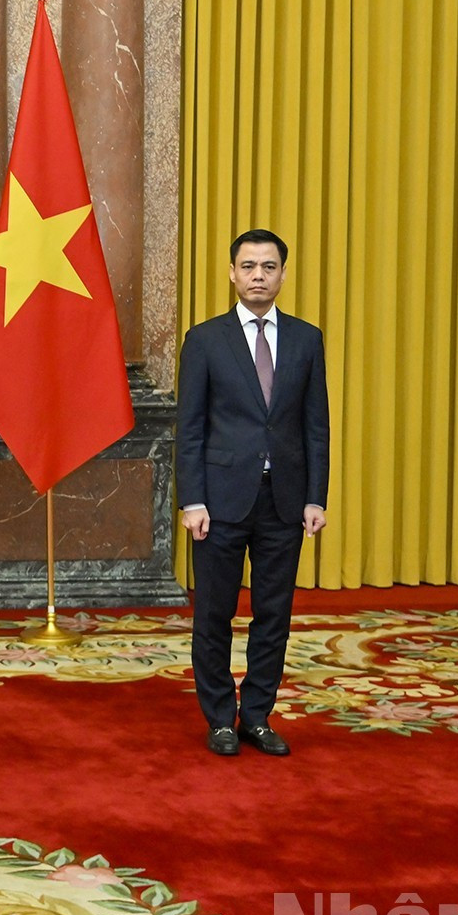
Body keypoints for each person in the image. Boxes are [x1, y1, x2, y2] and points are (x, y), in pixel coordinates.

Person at [176, 228, 330, 757]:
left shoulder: (308, 339)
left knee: (274, 614)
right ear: (232, 273)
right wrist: (191, 500)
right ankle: (220, 717)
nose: (258, 275)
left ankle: (257, 715)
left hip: (284, 501)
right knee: (214, 613)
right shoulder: (205, 339)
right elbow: (189, 426)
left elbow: (316, 426)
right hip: (219, 503)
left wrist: (316, 497)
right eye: (248, 266)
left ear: (283, 274)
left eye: (268, 266)